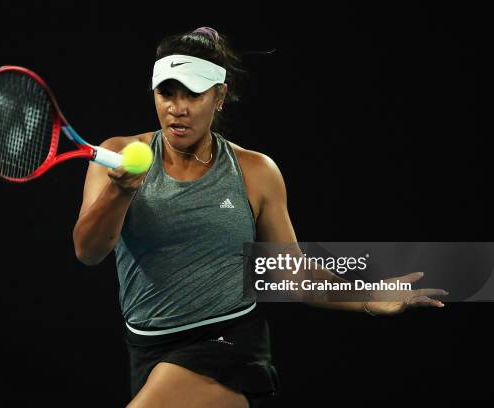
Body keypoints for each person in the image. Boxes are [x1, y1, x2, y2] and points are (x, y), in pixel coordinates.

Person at [72, 27, 447, 408]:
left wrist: (368, 296)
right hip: (147, 347)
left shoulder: (256, 172)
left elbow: (293, 274)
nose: (177, 108)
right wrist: (120, 191)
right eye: (166, 93)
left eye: (193, 94)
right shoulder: (117, 154)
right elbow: (88, 251)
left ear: (219, 96)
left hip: (228, 343)